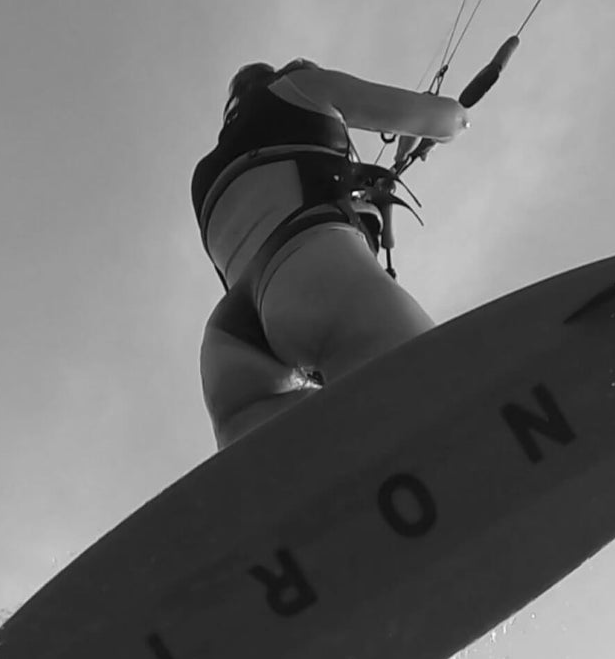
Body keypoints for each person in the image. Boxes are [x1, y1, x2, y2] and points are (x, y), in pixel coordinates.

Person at [193, 60, 470, 447]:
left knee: (317, 494)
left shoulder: (202, 177)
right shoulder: (300, 88)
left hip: (230, 343)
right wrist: (445, 119)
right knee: (447, 420)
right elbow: (449, 119)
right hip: (313, 273)